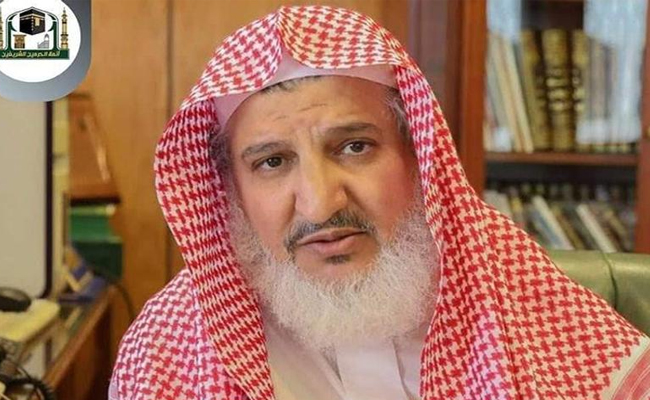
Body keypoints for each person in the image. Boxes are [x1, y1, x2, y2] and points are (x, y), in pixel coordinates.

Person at [110, 5, 650, 400]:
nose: (320, 205)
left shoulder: (512, 284)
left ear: (417, 156)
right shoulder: (168, 348)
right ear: (232, 191)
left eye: (354, 147)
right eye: (272, 162)